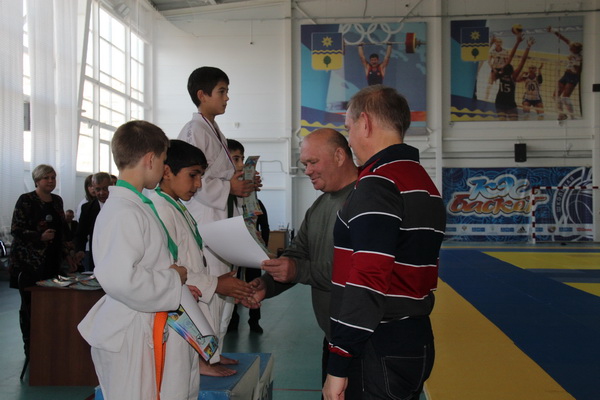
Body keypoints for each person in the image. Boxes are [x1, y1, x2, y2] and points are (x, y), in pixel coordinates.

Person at [322, 85, 445, 400]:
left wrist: (339, 361)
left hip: (375, 345)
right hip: (413, 337)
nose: (349, 140)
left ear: (365, 123)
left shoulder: (378, 183)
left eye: (349, 128)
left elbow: (369, 278)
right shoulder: (422, 181)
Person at [78, 120, 188, 400]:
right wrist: (173, 278)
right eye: (163, 160)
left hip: (139, 325)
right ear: (150, 159)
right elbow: (121, 280)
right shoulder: (123, 211)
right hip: (127, 332)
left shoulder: (134, 205)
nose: (164, 167)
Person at [242, 128, 358, 392]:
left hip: (363, 343)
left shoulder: (365, 202)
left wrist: (297, 270)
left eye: (313, 162)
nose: (307, 171)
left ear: (339, 156)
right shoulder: (318, 206)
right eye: (305, 164)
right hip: (333, 340)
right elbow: (298, 254)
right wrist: (267, 285)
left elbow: (356, 272)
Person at [149, 139, 253, 381]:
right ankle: (203, 360)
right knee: (177, 383)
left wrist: (217, 280)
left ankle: (208, 357)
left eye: (201, 176)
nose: (198, 184)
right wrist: (215, 284)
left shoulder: (176, 205)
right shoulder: (160, 209)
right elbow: (166, 268)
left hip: (193, 292)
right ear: (167, 172)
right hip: (175, 310)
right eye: (193, 175)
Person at [177, 66, 258, 366]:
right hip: (205, 225)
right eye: (221, 91)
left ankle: (215, 353)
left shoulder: (214, 131)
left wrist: (242, 183)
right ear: (202, 95)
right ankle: (204, 359)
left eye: (226, 91)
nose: (227, 98)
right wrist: (229, 187)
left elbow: (220, 177)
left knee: (226, 297)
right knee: (210, 292)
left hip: (221, 222)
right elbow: (193, 179)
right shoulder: (194, 130)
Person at [9, 164, 75, 362]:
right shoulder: (26, 200)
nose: (51, 181)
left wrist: (69, 254)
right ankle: (30, 349)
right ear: (37, 180)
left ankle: (48, 346)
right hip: (29, 264)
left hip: (52, 263)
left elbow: (62, 232)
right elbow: (16, 229)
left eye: (53, 177)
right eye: (47, 177)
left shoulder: (57, 201)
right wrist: (40, 236)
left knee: (52, 306)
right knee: (29, 308)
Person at [226, 139, 269, 334]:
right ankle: (233, 320)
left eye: (242, 159)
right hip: (230, 250)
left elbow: (263, 224)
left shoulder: (251, 198)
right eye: (235, 159)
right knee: (233, 284)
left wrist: (262, 245)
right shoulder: (217, 194)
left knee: (253, 282)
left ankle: (254, 320)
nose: (241, 164)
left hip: (251, 248)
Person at [74, 172, 112, 272]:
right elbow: (81, 233)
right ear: (93, 189)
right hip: (95, 255)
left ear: (111, 186)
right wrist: (80, 250)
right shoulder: (87, 208)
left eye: (105, 189)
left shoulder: (120, 206)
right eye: (98, 189)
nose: (102, 193)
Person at [494, 35, 535, 120]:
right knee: (513, 123)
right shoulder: (513, 76)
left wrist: (517, 42)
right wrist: (528, 46)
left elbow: (510, 57)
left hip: (500, 102)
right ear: (512, 71)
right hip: (510, 103)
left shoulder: (501, 73)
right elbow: (522, 61)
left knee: (502, 122)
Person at [546, 25, 582, 120]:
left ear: (577, 50)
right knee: (555, 96)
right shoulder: (573, 47)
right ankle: (561, 114)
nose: (570, 48)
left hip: (573, 77)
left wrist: (573, 62)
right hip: (566, 75)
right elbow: (563, 38)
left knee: (565, 98)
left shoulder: (579, 58)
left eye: (572, 48)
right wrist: (553, 30)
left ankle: (573, 117)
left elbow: (578, 72)